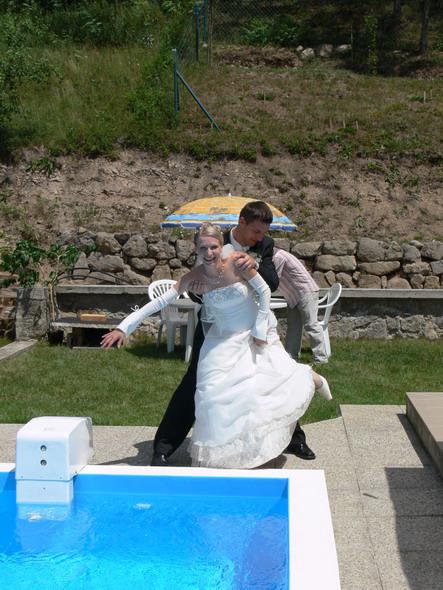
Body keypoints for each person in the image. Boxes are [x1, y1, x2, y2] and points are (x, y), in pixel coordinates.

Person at [102, 223, 332, 469]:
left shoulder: (237, 262)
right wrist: (123, 327)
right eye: (203, 248)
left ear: (222, 246)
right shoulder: (194, 277)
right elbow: (159, 302)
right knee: (210, 394)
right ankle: (225, 449)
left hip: (250, 332)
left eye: (213, 247)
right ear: (196, 250)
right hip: (220, 338)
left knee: (268, 381)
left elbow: (265, 290)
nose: (209, 252)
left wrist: (260, 327)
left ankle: (310, 378)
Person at [273, 247, 329, 364]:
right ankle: (291, 357)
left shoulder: (279, 257)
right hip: (294, 295)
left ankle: (321, 358)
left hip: (305, 292)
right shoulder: (279, 255)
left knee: (311, 325)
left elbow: (273, 279)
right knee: (293, 326)